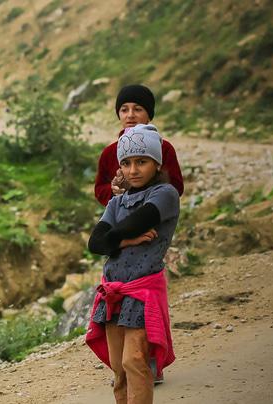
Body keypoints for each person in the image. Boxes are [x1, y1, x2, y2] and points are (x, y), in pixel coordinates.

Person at [85, 124, 179, 404]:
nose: (133, 170)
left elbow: (137, 222)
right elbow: (95, 243)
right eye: (126, 163)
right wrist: (125, 241)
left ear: (156, 163)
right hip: (113, 293)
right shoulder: (117, 203)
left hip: (141, 292)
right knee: (119, 369)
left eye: (141, 162)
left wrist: (117, 236)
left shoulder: (165, 194)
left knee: (135, 360)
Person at [94, 84, 184, 207]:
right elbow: (99, 189)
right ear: (119, 115)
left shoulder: (164, 148)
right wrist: (114, 189)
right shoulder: (109, 152)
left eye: (137, 109)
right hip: (120, 215)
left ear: (149, 115)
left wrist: (143, 185)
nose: (130, 115)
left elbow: (176, 188)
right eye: (124, 110)